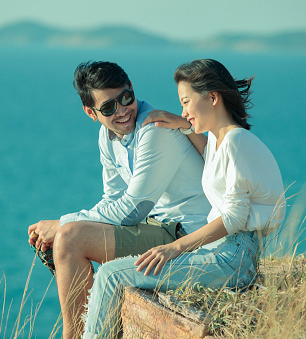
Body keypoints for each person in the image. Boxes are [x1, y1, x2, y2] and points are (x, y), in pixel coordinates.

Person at [82, 59, 287, 338]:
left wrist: (175, 248)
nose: (184, 110)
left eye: (186, 102)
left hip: (233, 258)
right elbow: (213, 156)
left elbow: (234, 218)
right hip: (219, 251)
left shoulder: (237, 142)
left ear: (212, 97)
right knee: (113, 273)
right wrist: (184, 125)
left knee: (111, 275)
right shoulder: (220, 140)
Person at [27, 61, 211, 339]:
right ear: (91, 113)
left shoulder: (155, 129)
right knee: (70, 235)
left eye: (126, 98)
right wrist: (66, 225)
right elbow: (112, 197)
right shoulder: (108, 135)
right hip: (159, 227)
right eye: (109, 108)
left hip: (187, 237)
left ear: (132, 89)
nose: (123, 111)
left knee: (70, 238)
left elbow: (132, 210)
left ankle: (73, 336)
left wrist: (63, 223)